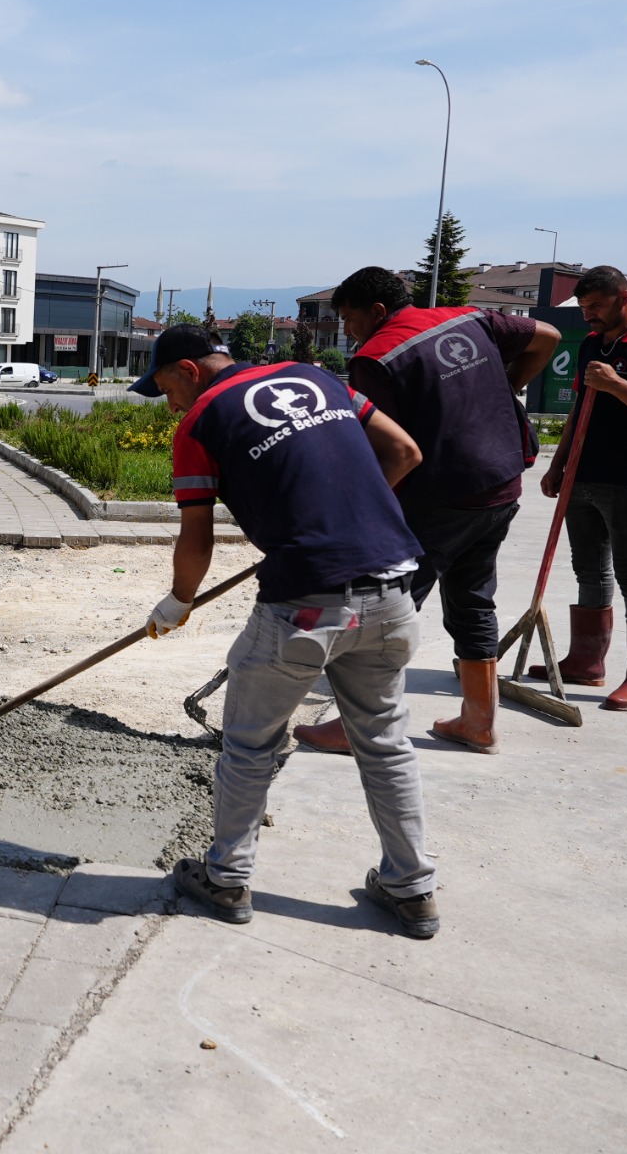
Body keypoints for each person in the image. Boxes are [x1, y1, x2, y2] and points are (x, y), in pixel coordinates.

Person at [135, 325, 440, 939]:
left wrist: (177, 601)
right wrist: (340, 521)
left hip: (304, 607)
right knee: (384, 744)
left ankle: (225, 880)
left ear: (190, 371)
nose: (169, 403)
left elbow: (198, 536)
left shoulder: (199, 423)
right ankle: (413, 889)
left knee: (249, 746)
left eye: (166, 386)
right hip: (392, 594)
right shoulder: (318, 377)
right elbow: (405, 452)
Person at [293, 268, 560, 755]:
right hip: (499, 487)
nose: (348, 330)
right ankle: (479, 723)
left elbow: (389, 449)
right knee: (474, 600)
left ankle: (359, 727)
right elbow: (548, 335)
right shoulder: (470, 318)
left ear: (376, 311)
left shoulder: (377, 357)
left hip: (438, 498)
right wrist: (507, 384)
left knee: (382, 610)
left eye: (350, 319)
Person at [532, 265, 627, 710]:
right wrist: (558, 466)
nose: (589, 316)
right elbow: (580, 405)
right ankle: (586, 662)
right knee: (589, 570)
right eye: (583, 308)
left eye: (596, 306)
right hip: (583, 474)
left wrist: (615, 384)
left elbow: (611, 393)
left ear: (623, 296)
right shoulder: (593, 344)